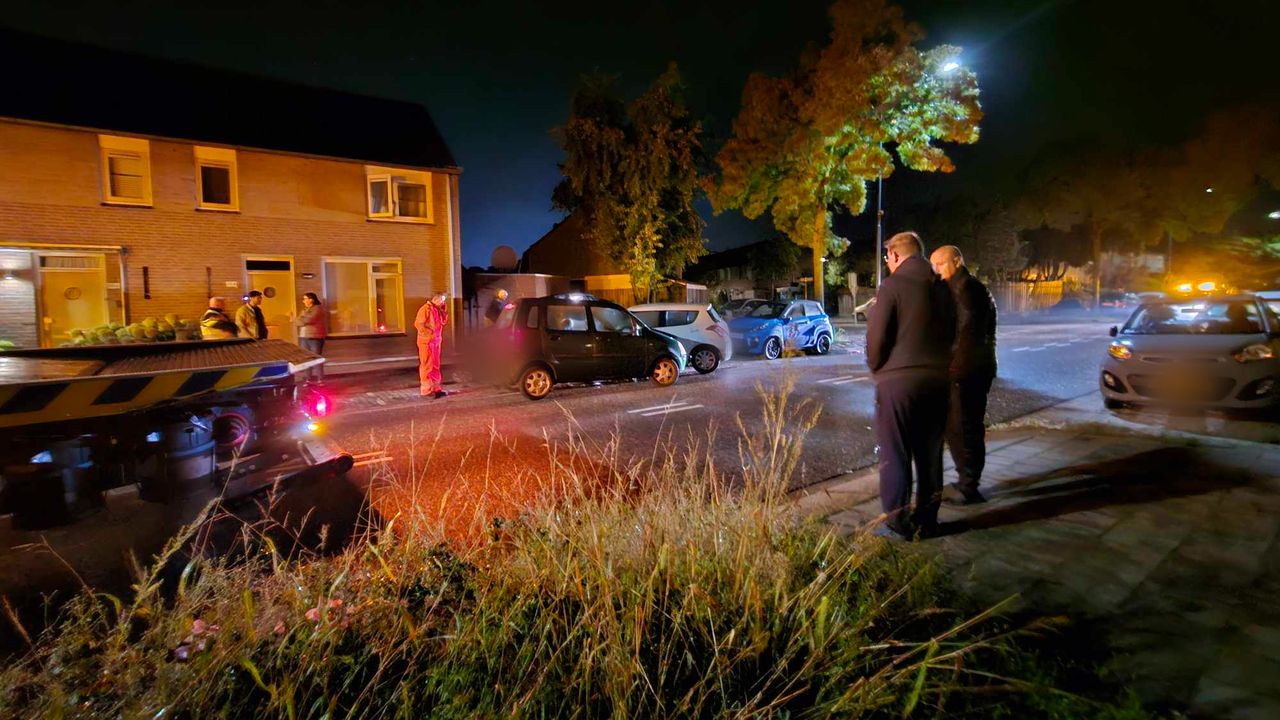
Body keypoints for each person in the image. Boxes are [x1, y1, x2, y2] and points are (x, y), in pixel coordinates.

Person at [866, 231, 957, 540]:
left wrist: (878, 367)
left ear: (894, 256)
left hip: (899, 382)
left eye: (887, 257)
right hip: (936, 381)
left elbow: (877, 340)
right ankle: (928, 518)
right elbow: (954, 333)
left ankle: (897, 519)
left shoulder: (892, 287)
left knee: (895, 452)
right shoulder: (943, 289)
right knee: (930, 453)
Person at [930, 246, 997, 505]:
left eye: (941, 264)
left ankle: (969, 486)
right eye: (934, 265)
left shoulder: (965, 289)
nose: (937, 270)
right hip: (972, 369)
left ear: (957, 261)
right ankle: (967, 481)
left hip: (967, 372)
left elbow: (966, 331)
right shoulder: (967, 287)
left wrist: (952, 365)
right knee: (961, 427)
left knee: (963, 428)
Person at [415, 291, 450, 399]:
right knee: (427, 365)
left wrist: (444, 309)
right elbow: (418, 324)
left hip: (435, 342)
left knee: (435, 365)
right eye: (442, 300)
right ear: (436, 299)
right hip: (427, 342)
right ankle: (426, 390)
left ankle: (436, 388)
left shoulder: (437, 309)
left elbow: (444, 321)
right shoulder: (425, 309)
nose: (443, 302)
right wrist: (429, 334)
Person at [295, 292, 327, 382]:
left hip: (314, 337)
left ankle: (320, 379)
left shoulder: (317, 309)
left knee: (316, 358)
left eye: (305, 299)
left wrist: (298, 319)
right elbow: (297, 322)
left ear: (311, 300)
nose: (303, 301)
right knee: (306, 359)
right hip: (304, 336)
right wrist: (299, 320)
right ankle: (308, 378)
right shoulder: (305, 310)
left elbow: (307, 320)